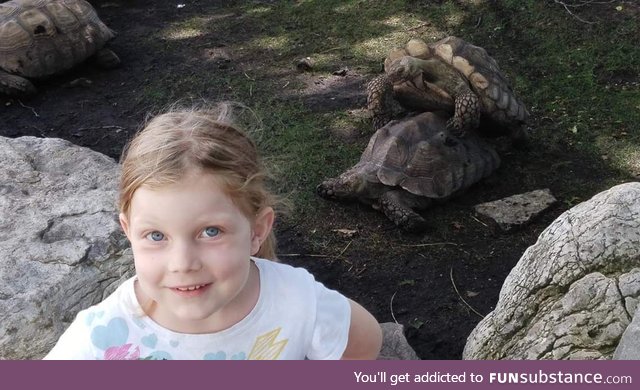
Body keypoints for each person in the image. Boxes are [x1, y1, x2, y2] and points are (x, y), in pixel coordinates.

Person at [44, 102, 382, 360]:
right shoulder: (99, 338)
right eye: (156, 236)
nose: (183, 263)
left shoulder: (298, 302)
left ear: (256, 230)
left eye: (210, 232)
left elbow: (364, 340)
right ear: (128, 231)